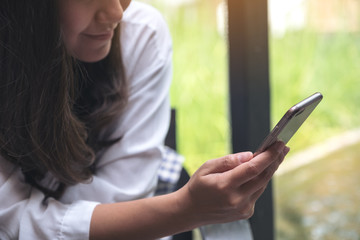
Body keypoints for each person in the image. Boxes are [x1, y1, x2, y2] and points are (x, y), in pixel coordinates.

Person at [0, 0, 290, 239]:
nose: (116, 13)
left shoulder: (139, 34)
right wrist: (186, 209)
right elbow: (10, 221)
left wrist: (188, 208)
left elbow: (122, 204)